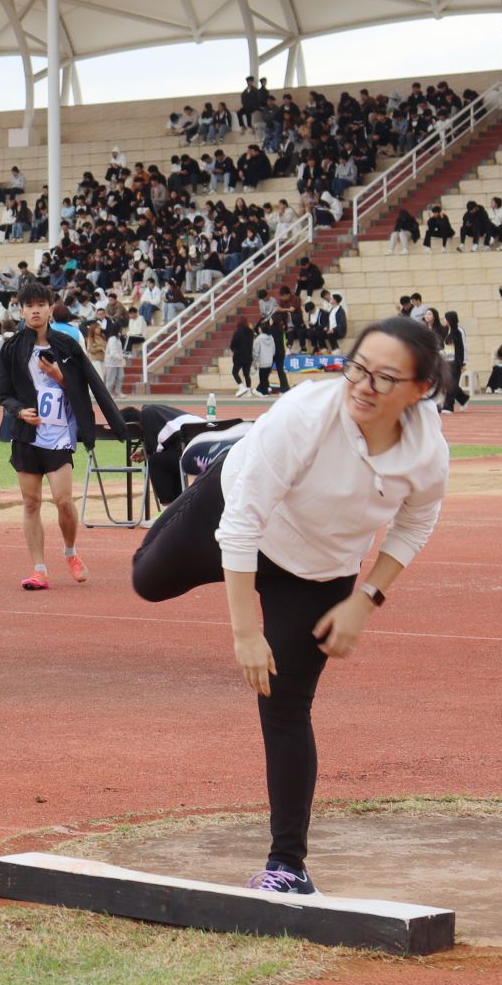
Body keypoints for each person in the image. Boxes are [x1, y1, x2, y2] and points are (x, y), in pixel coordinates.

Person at [131, 316, 450, 894]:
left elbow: (415, 525)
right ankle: (213, 446)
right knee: (146, 580)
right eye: (357, 368)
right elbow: (241, 525)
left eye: (384, 378)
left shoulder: (427, 452)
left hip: (319, 570)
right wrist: (245, 633)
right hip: (236, 511)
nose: (363, 386)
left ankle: (287, 867)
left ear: (420, 389)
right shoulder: (306, 413)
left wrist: (364, 600)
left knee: (284, 707)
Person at [0, 281, 128, 590]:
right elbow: (4, 395)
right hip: (27, 435)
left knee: (63, 501)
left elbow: (88, 386)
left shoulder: (67, 346)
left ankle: (70, 552)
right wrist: (19, 412)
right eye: (29, 306)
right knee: (31, 503)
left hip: (59, 436)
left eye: (41, 304)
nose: (35, 310)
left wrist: (61, 377)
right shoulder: (12, 348)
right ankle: (39, 569)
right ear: (21, 311)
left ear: (50, 309)